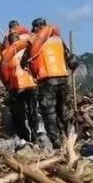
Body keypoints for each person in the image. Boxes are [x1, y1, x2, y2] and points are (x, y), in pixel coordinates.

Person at [21, 18, 78, 149]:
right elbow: (72, 61)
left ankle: (56, 143)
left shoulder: (33, 40)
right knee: (63, 111)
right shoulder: (58, 40)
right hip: (63, 81)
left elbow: (24, 62)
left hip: (47, 82)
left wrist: (32, 72)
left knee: (49, 113)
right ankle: (67, 139)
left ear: (35, 28)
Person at [0, 32, 39, 142]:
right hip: (31, 85)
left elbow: (3, 73)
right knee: (33, 111)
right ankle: (35, 135)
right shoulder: (29, 49)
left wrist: (7, 85)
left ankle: (24, 138)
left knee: (18, 115)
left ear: (9, 41)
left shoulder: (5, 53)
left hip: (16, 87)